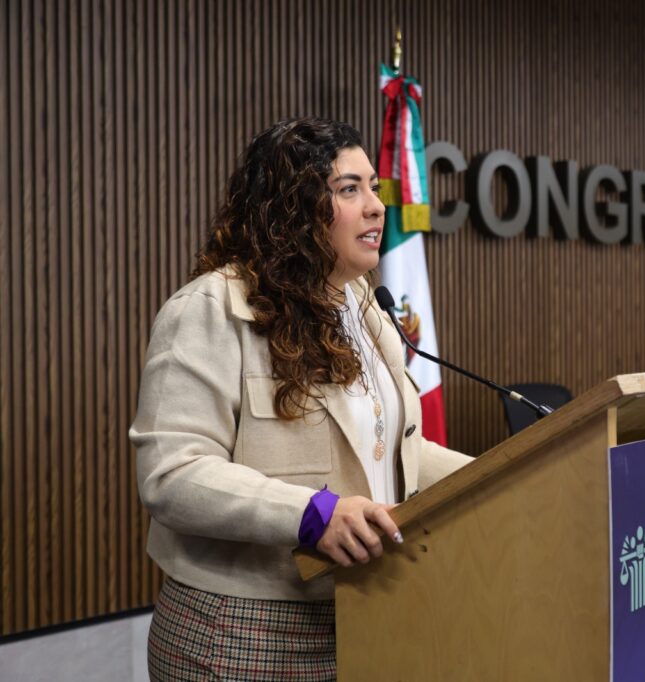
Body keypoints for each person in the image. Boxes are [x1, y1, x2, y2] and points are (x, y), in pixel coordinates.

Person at [129, 116, 471, 681]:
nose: (376, 208)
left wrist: (516, 471)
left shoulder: (364, 308)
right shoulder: (210, 309)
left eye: (374, 189)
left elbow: (396, 449)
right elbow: (172, 474)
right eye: (349, 190)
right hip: (242, 630)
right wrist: (311, 515)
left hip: (362, 609)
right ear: (290, 207)